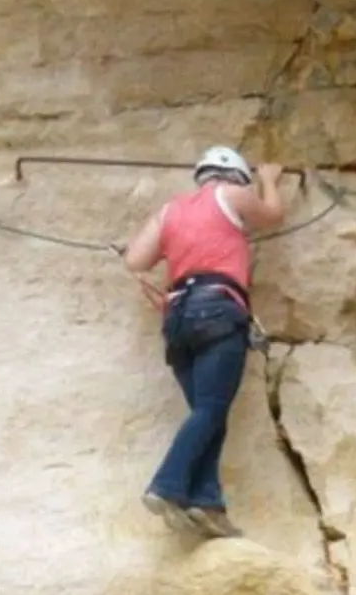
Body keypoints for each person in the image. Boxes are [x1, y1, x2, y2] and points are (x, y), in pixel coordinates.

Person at [123, 146, 288, 540]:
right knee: (212, 409)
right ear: (234, 175)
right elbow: (273, 216)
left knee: (207, 412)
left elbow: (135, 260)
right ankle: (166, 486)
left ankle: (207, 502)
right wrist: (268, 179)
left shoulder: (170, 210)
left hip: (178, 319)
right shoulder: (232, 194)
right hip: (217, 311)